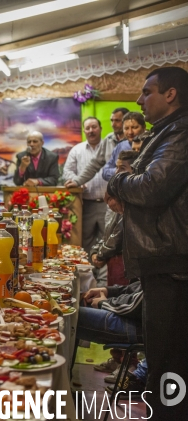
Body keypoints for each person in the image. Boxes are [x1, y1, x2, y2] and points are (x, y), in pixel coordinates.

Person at [107, 66, 188, 419]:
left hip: (173, 266)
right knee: (163, 365)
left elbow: (152, 187)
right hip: (164, 263)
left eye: (147, 92)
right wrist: (127, 183)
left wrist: (118, 183)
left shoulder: (181, 132)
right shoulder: (167, 132)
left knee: (169, 367)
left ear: (170, 94)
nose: (139, 101)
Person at [90, 150, 139, 286]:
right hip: (113, 260)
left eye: (122, 168)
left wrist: (100, 255)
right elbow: (109, 231)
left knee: (116, 301)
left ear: (134, 171)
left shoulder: (134, 197)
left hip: (124, 262)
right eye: (116, 167)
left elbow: (118, 234)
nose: (116, 172)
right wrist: (96, 251)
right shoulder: (119, 192)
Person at [63, 117, 108, 251]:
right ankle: (89, 272)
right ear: (84, 130)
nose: (91, 130)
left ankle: (104, 273)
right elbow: (67, 171)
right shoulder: (77, 150)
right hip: (85, 205)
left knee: (107, 241)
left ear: (100, 128)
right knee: (85, 241)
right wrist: (77, 181)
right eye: (87, 128)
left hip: (108, 204)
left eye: (94, 127)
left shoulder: (110, 148)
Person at [64, 107, 129, 189]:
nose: (113, 124)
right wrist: (77, 181)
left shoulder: (134, 140)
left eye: (117, 121)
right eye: (112, 120)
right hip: (114, 194)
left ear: (126, 121)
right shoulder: (109, 139)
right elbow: (94, 164)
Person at [101, 112, 146, 181]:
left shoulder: (151, 144)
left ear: (143, 127)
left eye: (134, 127)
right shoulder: (120, 146)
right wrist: (121, 170)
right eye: (126, 128)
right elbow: (105, 172)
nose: (130, 132)